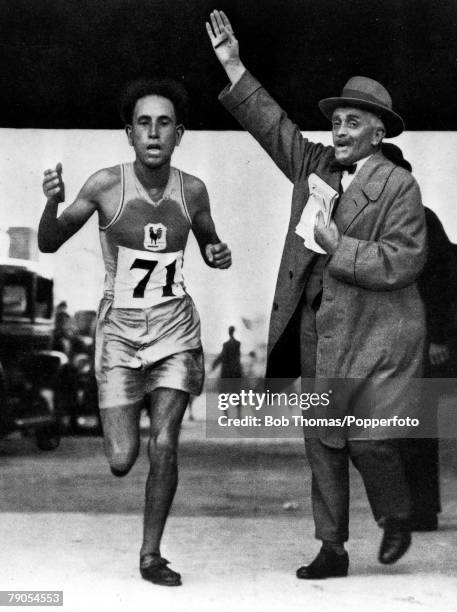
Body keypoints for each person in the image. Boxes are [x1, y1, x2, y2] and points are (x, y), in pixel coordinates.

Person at [207, 10, 426, 578]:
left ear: (378, 133)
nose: (341, 131)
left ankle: (396, 515)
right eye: (338, 121)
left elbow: (405, 260)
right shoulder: (316, 166)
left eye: (354, 123)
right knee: (323, 442)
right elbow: (272, 125)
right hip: (316, 329)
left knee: (369, 440)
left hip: (374, 335)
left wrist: (339, 245)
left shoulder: (398, 187)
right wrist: (233, 64)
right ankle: (331, 548)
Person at [38, 76, 232, 586]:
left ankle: (151, 556)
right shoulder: (105, 185)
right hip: (120, 335)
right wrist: (50, 203)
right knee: (122, 460)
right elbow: (50, 241)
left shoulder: (192, 190)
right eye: (143, 123)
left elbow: (211, 241)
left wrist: (217, 252)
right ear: (129, 133)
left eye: (164, 123)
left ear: (179, 133)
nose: (153, 133)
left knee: (164, 443)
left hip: (175, 331)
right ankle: (131, 405)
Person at [381, 143, 455, 531]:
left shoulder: (422, 219)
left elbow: (444, 279)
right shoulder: (377, 222)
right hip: (395, 342)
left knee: (417, 426)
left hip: (425, 343)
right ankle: (409, 508)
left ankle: (421, 511)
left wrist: (440, 337)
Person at [212, 325, 243, 417]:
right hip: (236, 372)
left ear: (229, 332)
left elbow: (222, 356)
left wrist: (214, 365)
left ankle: (226, 415)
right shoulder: (238, 344)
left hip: (226, 373)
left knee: (223, 394)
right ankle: (239, 414)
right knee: (237, 393)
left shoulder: (226, 345)